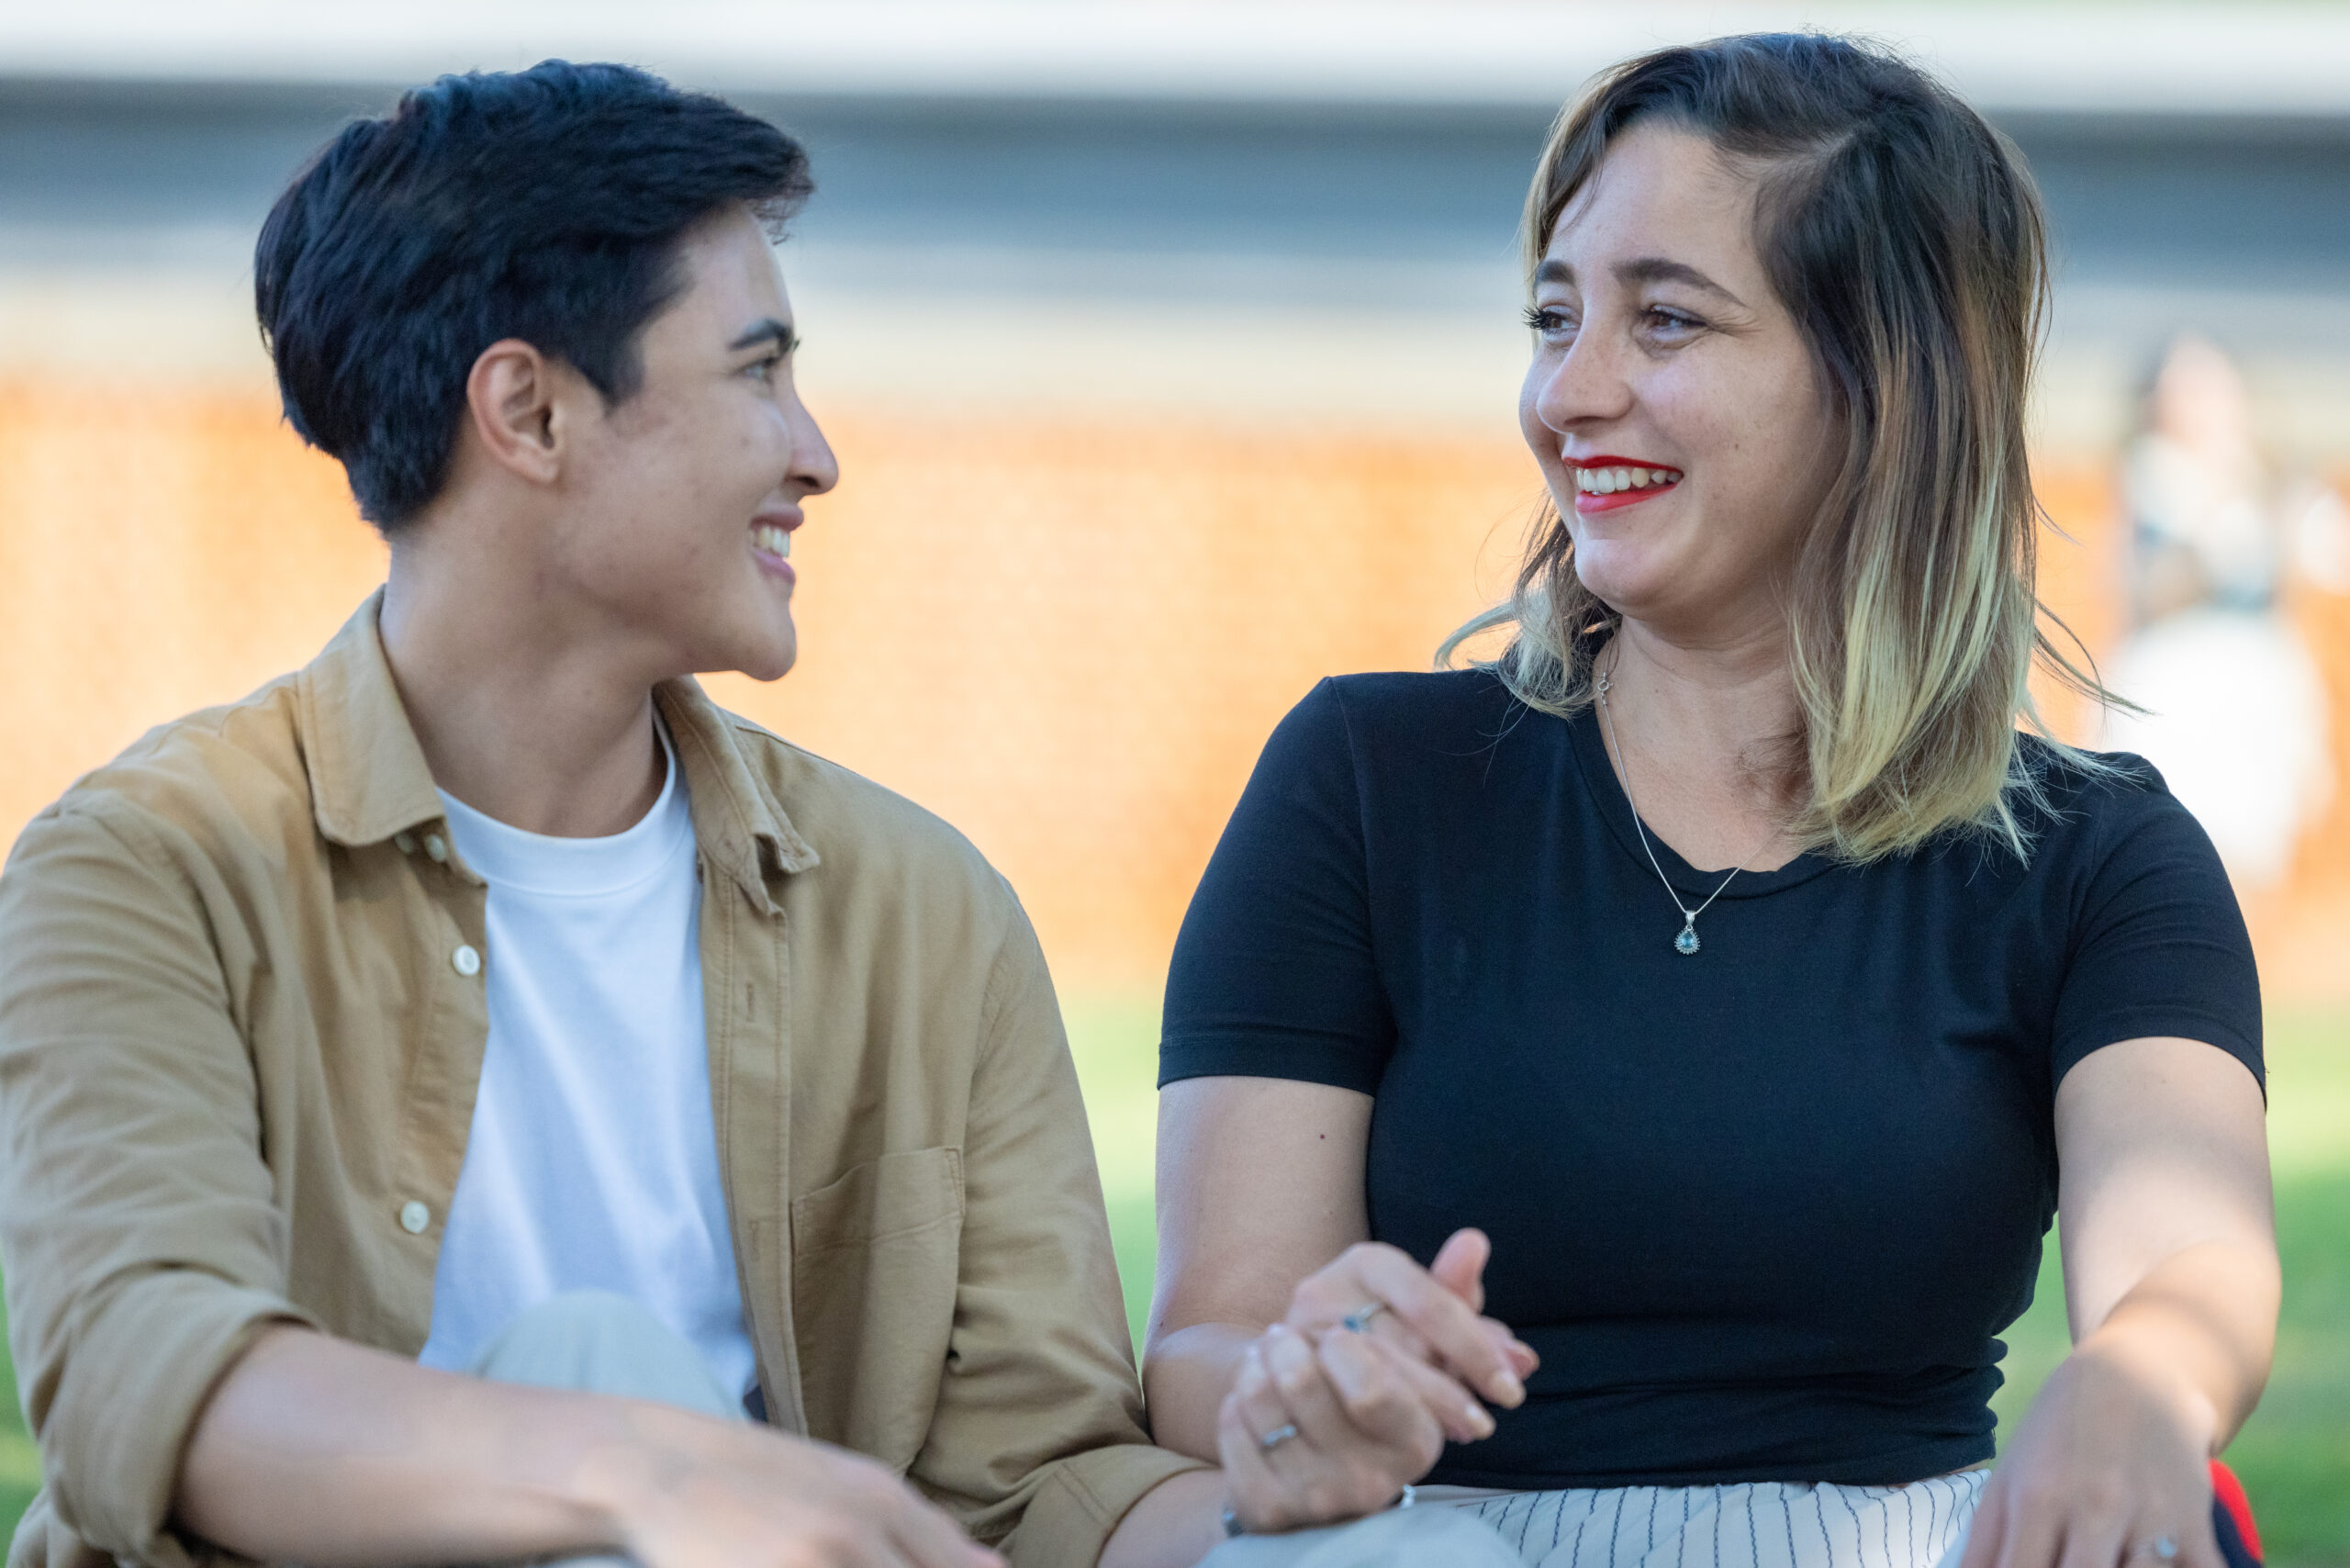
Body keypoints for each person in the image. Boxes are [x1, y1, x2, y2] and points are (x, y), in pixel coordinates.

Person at [0, 62, 1230, 1568]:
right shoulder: (145, 872)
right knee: (594, 1357)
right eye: (759, 370)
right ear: (528, 410)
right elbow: (151, 1388)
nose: (816, 454)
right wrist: (643, 1466)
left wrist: (1283, 1489)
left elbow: (1041, 1493)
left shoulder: (925, 910)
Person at [1145, 34, 2278, 1568]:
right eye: (1556, 317)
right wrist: (1298, 1401)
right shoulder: (1365, 779)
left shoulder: (2095, 855)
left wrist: (2144, 1378)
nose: (1568, 393)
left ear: (1887, 378)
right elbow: (1204, 1350)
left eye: (1664, 321)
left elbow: (2193, 1255)